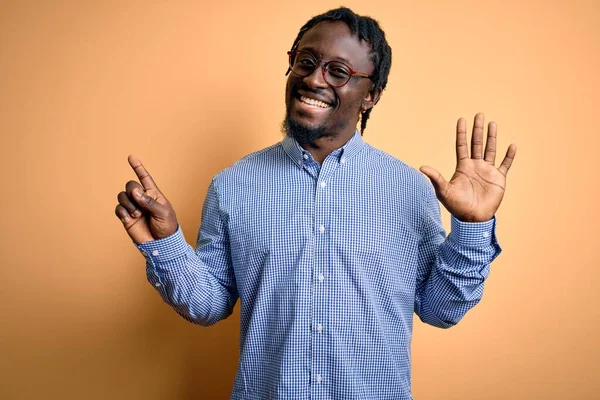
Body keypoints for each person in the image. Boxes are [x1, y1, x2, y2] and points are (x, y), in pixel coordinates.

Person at [115, 7, 516, 399]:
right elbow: (209, 304)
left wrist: (472, 227)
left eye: (338, 71)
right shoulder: (232, 185)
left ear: (371, 95)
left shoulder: (411, 190)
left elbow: (440, 310)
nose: (313, 79)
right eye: (305, 61)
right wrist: (165, 244)